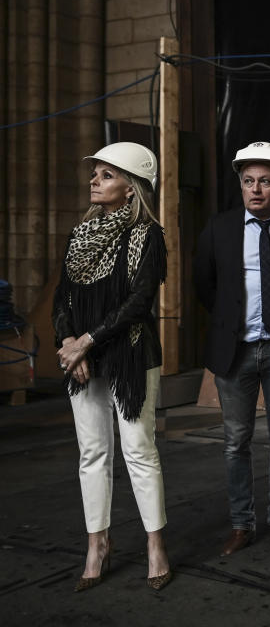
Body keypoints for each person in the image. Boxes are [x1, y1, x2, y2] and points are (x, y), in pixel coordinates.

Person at [52, 142, 172, 591]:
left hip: (130, 356)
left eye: (105, 175)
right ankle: (96, 544)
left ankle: (155, 545)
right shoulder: (79, 236)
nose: (94, 181)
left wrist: (87, 342)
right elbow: (63, 297)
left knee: (139, 450)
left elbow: (138, 304)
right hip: (83, 359)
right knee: (92, 454)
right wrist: (69, 343)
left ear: (131, 187)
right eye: (95, 174)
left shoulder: (148, 236)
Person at [194, 141, 270, 557]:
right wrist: (231, 322)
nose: (256, 190)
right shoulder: (220, 227)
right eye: (248, 181)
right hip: (237, 350)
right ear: (241, 185)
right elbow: (205, 284)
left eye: (265, 181)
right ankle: (241, 524)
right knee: (236, 441)